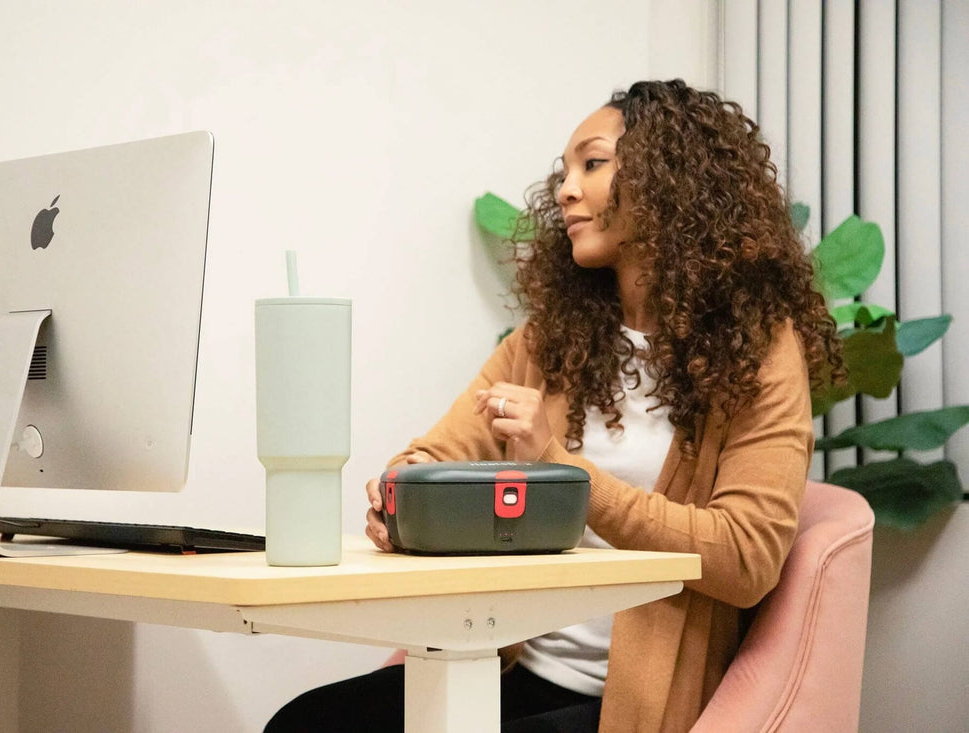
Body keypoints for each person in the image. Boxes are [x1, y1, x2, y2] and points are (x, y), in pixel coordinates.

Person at [265, 78, 843, 733]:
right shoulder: (549, 341)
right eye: (564, 171)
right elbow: (440, 450)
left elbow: (746, 557)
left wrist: (561, 471)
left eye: (592, 164)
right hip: (508, 668)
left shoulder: (759, 350)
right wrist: (401, 494)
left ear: (670, 179)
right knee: (306, 723)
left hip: (624, 704)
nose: (566, 188)